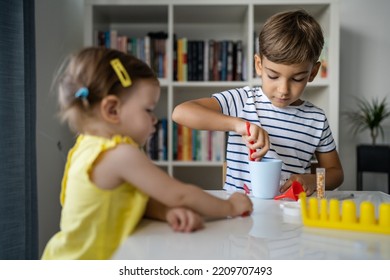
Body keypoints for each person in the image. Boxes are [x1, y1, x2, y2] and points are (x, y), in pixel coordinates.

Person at [41, 47, 253, 260]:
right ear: (112, 110)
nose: (154, 120)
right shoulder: (120, 154)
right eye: (148, 110)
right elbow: (180, 194)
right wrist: (230, 206)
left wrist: (165, 212)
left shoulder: (86, 144)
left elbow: (120, 199)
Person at [172, 9, 344, 196]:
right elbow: (181, 112)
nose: (283, 89)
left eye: (297, 79)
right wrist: (238, 125)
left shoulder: (316, 119)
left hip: (288, 215)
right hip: (239, 212)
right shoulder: (243, 101)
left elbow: (336, 173)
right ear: (259, 65)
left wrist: (312, 179)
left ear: (312, 73)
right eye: (273, 76)